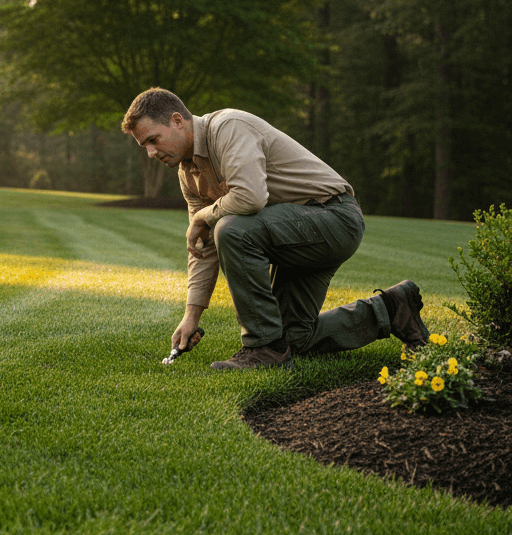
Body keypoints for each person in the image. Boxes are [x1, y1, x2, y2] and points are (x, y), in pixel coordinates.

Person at [121, 87, 430, 370]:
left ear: (177, 120)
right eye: (143, 146)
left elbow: (250, 197)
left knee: (232, 229)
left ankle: (264, 349)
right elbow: (202, 246)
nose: (150, 153)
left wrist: (205, 216)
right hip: (296, 235)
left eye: (152, 140)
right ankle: (393, 308)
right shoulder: (188, 173)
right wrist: (192, 316)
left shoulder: (228, 128)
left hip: (333, 218)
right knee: (294, 338)